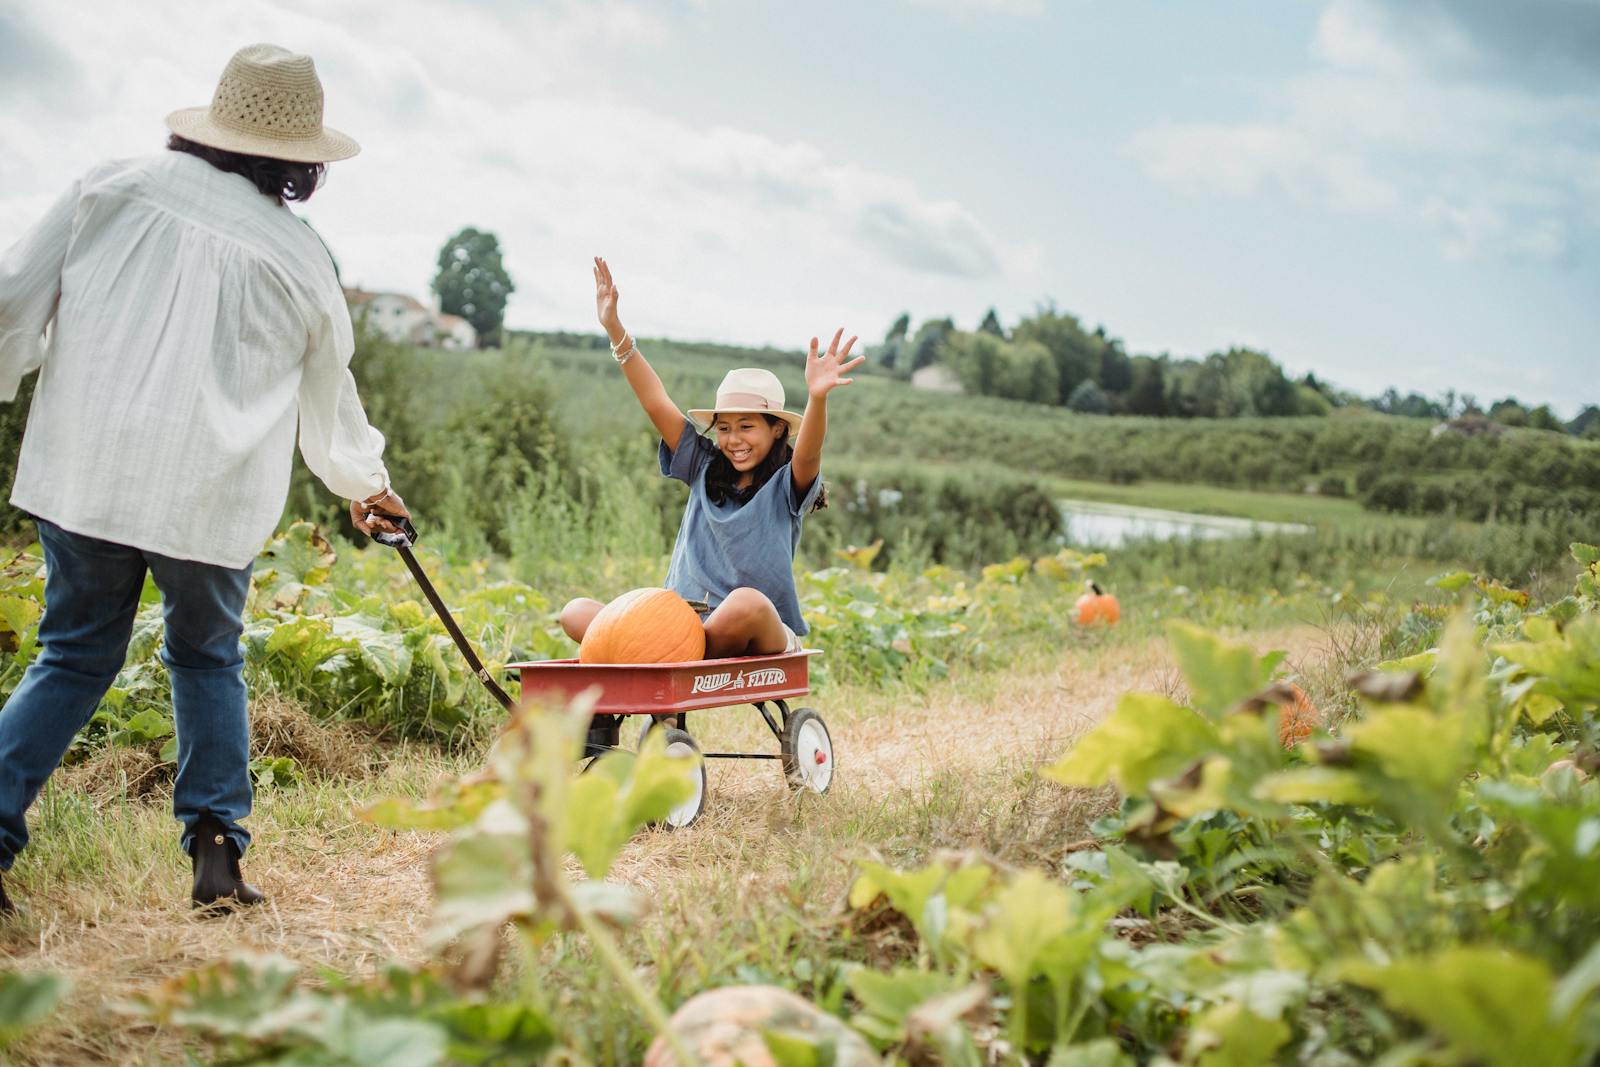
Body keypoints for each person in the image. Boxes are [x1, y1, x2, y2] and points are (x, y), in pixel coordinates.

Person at [0, 44, 408, 914]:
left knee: (72, 654)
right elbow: (330, 399)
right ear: (302, 162)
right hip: (209, 498)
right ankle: (217, 848)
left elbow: (9, 303)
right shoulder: (300, 259)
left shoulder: (106, 189)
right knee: (207, 655)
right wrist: (364, 484)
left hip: (89, 472)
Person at [560, 257, 862, 659]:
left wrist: (818, 397)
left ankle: (673, 657)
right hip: (682, 625)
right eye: (724, 428)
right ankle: (669, 654)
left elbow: (809, 451)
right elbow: (655, 403)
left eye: (747, 426)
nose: (733, 439)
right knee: (576, 613)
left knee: (746, 603)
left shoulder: (787, 486)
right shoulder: (703, 467)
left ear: (777, 429)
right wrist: (615, 329)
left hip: (755, 631)